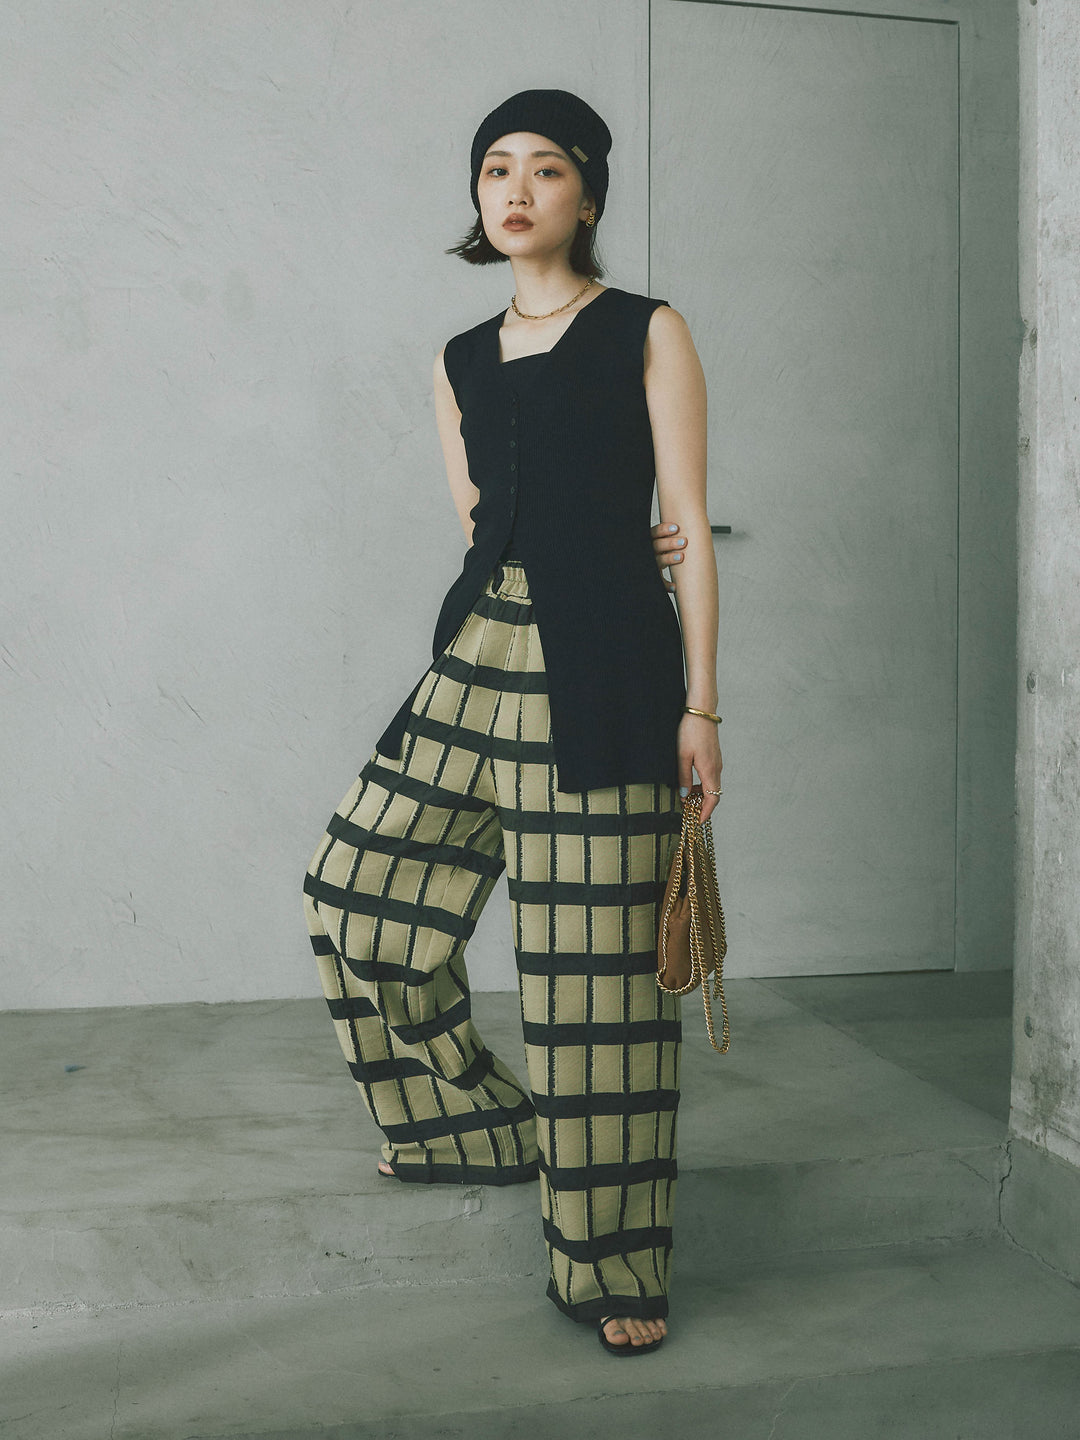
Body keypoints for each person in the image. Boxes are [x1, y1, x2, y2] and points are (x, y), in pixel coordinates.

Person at [302, 88, 721, 1357]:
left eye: (546, 168)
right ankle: (469, 1126)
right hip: (477, 654)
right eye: (497, 168)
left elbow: (690, 527)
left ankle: (614, 1269)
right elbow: (482, 515)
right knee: (355, 894)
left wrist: (702, 704)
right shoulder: (458, 358)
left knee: (596, 989)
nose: (518, 188)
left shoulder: (648, 329)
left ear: (587, 195)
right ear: (478, 195)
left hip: (611, 669)